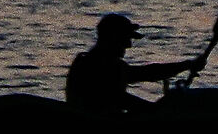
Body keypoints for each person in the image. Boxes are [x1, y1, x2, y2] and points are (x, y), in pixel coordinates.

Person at [66, 12, 203, 113]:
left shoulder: (91, 61)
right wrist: (156, 110)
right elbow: (121, 97)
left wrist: (186, 65)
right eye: (125, 39)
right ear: (113, 38)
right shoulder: (98, 64)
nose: (129, 45)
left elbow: (145, 74)